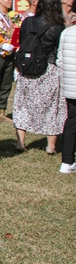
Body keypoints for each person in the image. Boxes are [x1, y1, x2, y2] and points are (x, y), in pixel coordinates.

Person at [12, 0, 66, 154]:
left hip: (26, 67)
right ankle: (51, 145)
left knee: (22, 105)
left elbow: (23, 42)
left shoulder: (28, 22)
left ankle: (19, 142)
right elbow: (58, 50)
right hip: (49, 69)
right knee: (52, 107)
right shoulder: (58, 27)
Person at [56, 20, 76, 173]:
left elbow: (60, 60)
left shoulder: (66, 32)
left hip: (70, 85)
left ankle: (67, 160)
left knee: (71, 121)